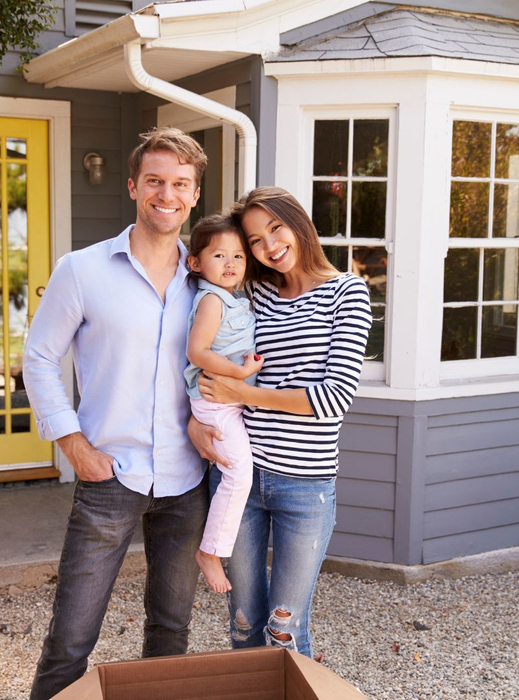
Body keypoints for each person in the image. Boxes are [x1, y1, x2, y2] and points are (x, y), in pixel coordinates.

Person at [23, 127, 212, 700]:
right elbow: (38, 356)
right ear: (133, 186)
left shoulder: (207, 279)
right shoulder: (82, 270)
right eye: (155, 180)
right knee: (71, 638)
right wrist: (72, 442)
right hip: (109, 476)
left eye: (180, 184)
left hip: (187, 479)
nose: (167, 194)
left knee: (171, 631)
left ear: (195, 195)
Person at [189, 187, 373, 659]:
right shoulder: (254, 292)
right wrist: (194, 424)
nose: (268, 246)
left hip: (305, 487)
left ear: (298, 222)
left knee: (284, 629)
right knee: (243, 623)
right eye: (254, 240)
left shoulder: (347, 292)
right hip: (239, 476)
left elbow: (333, 398)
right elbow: (196, 342)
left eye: (275, 228)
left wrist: (243, 393)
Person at [183, 213, 263, 593]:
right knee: (238, 473)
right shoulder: (212, 301)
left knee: (236, 471)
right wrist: (239, 373)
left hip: (227, 400)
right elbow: (197, 351)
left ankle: (214, 549)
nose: (230, 264)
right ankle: (210, 552)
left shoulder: (237, 299)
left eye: (239, 256)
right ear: (196, 263)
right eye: (219, 256)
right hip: (216, 400)